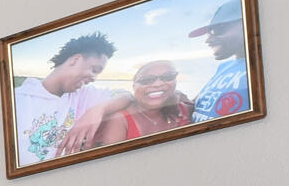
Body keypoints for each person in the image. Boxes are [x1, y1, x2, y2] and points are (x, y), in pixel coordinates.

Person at [13, 33, 117, 162]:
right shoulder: (18, 100)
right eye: (94, 70)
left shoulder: (81, 95)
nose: (94, 78)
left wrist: (99, 110)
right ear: (75, 60)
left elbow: (127, 96)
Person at [63, 58, 195, 151]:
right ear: (134, 86)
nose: (158, 84)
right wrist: (98, 109)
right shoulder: (119, 120)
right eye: (146, 80)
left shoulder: (186, 109)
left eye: (168, 77)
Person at [187, 0, 252, 121]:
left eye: (217, 29)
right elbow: (193, 104)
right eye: (209, 33)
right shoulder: (224, 67)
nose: (208, 40)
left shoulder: (260, 69)